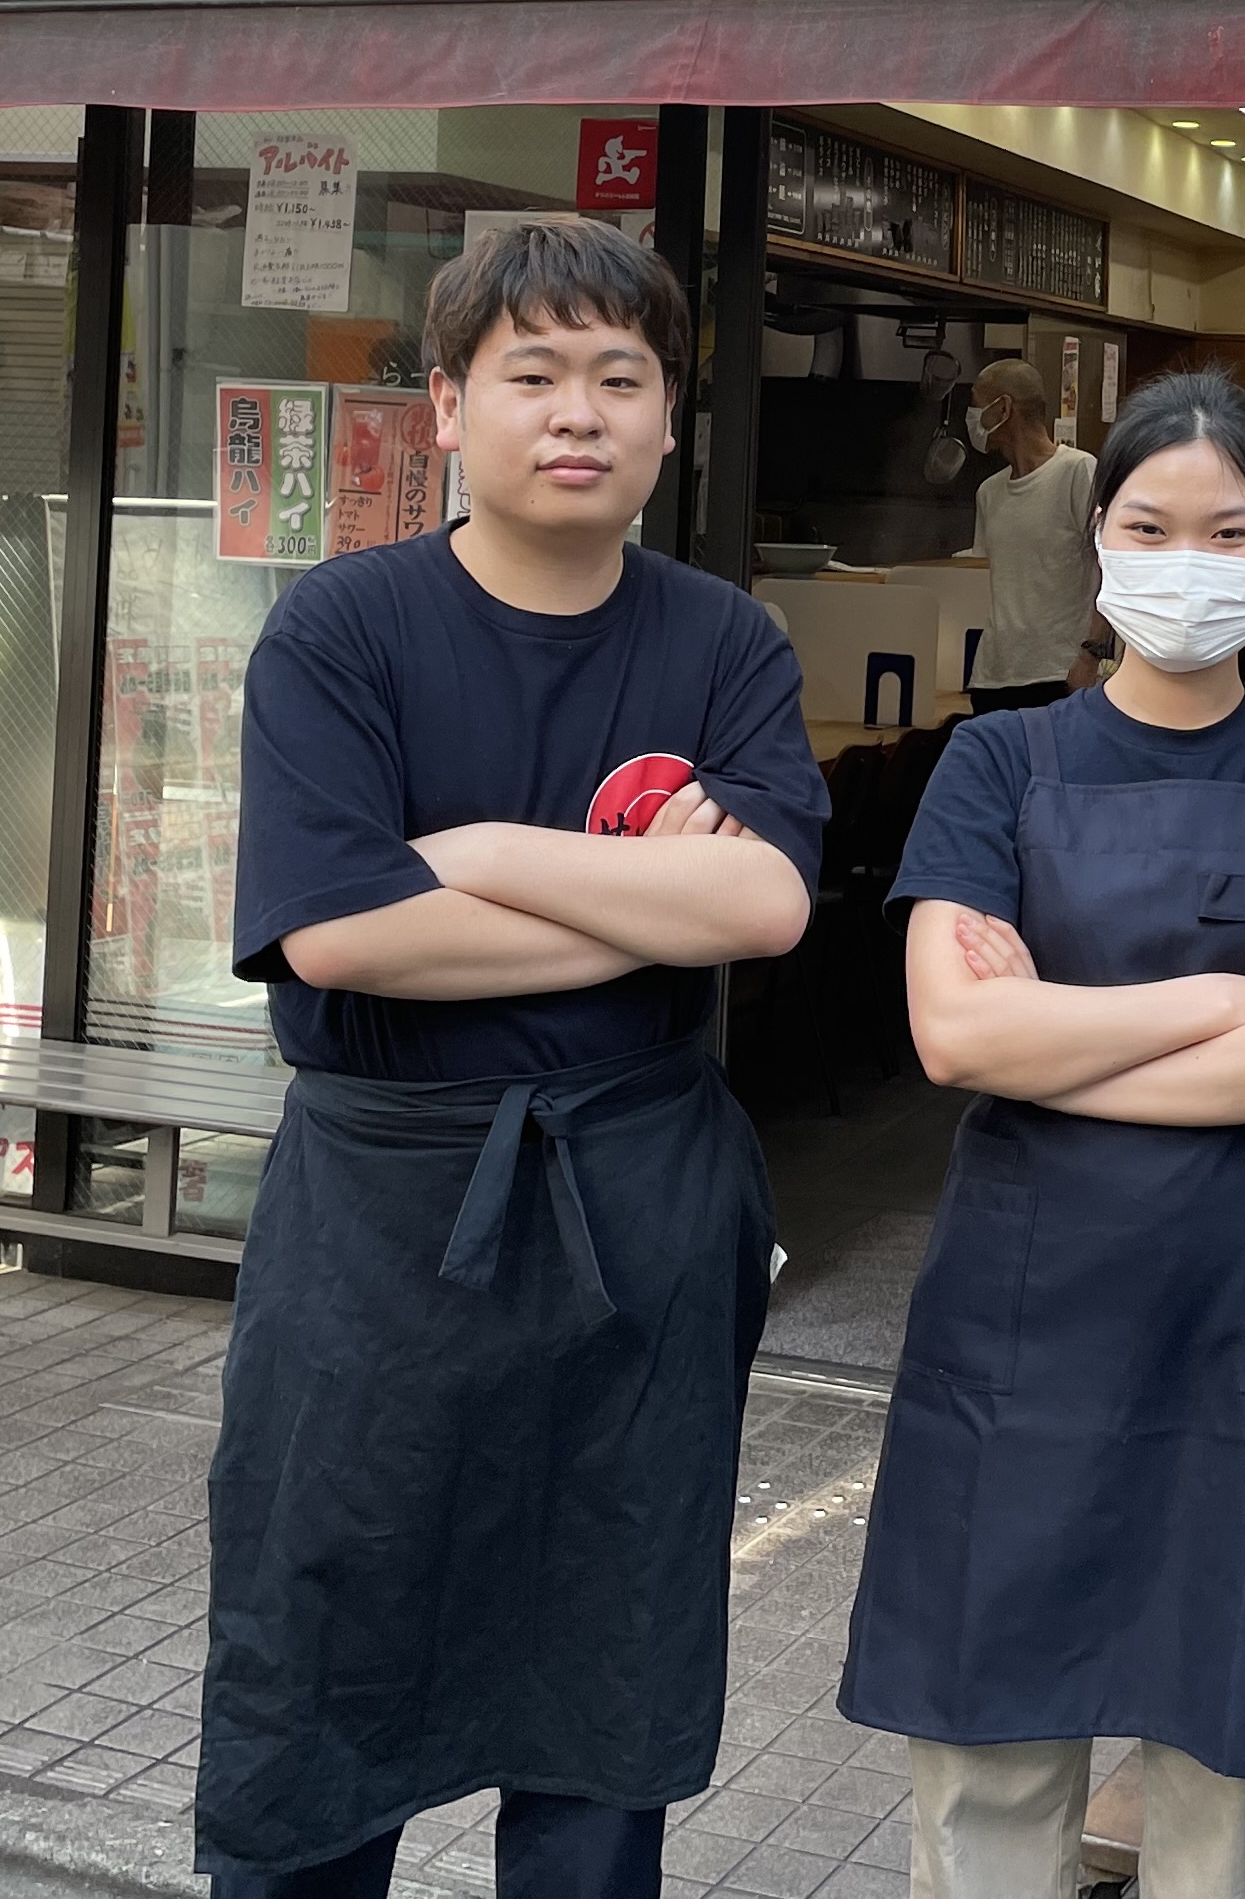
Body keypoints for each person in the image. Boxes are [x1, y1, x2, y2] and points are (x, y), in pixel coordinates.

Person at [199, 219, 831, 1899]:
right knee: (322, 1647)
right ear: (446, 405)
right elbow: (341, 935)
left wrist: (469, 844)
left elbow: (765, 902)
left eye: (621, 376)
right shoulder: (341, 629)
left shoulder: (723, 643)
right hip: (381, 1221)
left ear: (670, 418)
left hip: (638, 1214)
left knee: (601, 1683)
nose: (581, 410)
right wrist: (651, 904)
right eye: (533, 371)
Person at [841, 367, 1245, 1899]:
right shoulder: (998, 764)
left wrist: (1058, 1044)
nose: (1186, 559)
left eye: (1225, 531)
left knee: (1227, 1764)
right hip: (1027, 1326)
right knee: (990, 1747)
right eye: (1152, 525)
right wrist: (1236, 1001)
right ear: (1100, 538)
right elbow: (957, 1034)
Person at [962, 356, 1104, 713]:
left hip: (1059, 675)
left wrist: (1091, 655)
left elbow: (1114, 572)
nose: (973, 419)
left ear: (1003, 407)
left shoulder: (1078, 472)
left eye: (978, 406)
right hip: (992, 678)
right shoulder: (989, 493)